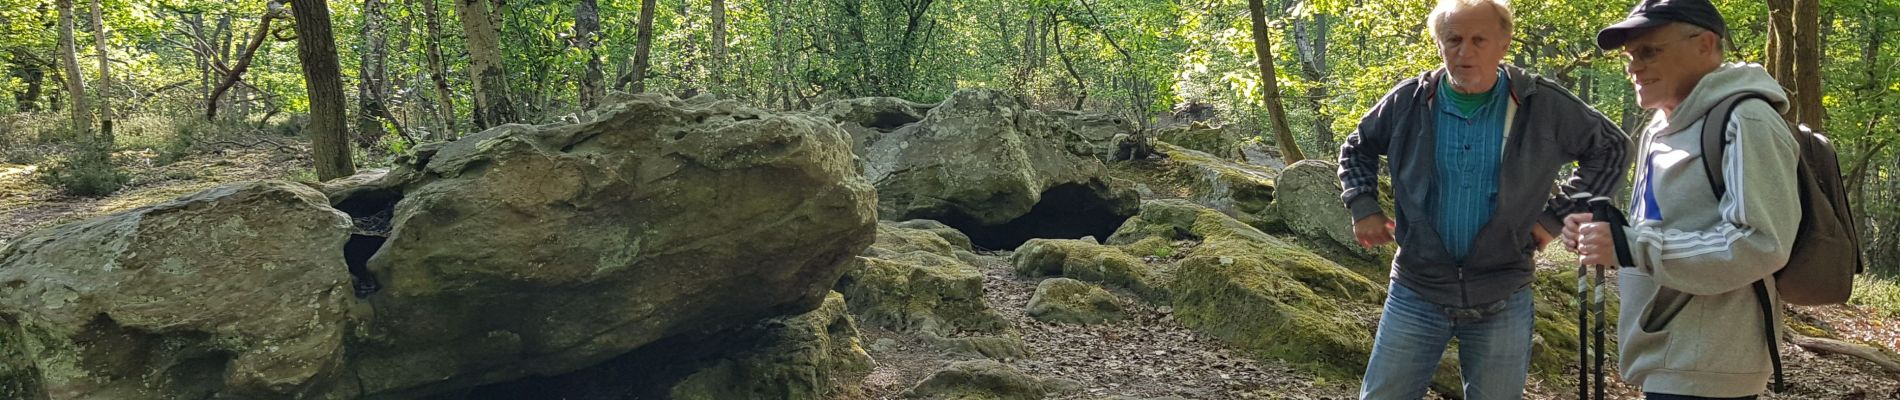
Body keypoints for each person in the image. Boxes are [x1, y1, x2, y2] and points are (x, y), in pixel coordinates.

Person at [1337, 0, 1633, 397]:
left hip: (1503, 291)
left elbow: (1612, 149)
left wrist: (1554, 217)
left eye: (1479, 40)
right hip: (1417, 288)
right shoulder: (1408, 102)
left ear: (1503, 43)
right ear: (1439, 44)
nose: (1465, 52)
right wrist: (1363, 205)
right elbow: (1357, 147)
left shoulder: (1539, 103)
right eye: (1453, 39)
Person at [1565, 0, 1801, 398]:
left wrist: (1633, 246)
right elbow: (1662, 229)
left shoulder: (1747, 121)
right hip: (1666, 355)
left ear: (1705, 44)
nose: (1634, 67)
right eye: (1630, 56)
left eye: (1649, 51)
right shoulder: (1660, 127)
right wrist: (1608, 234)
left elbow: (1762, 242)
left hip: (1710, 364)